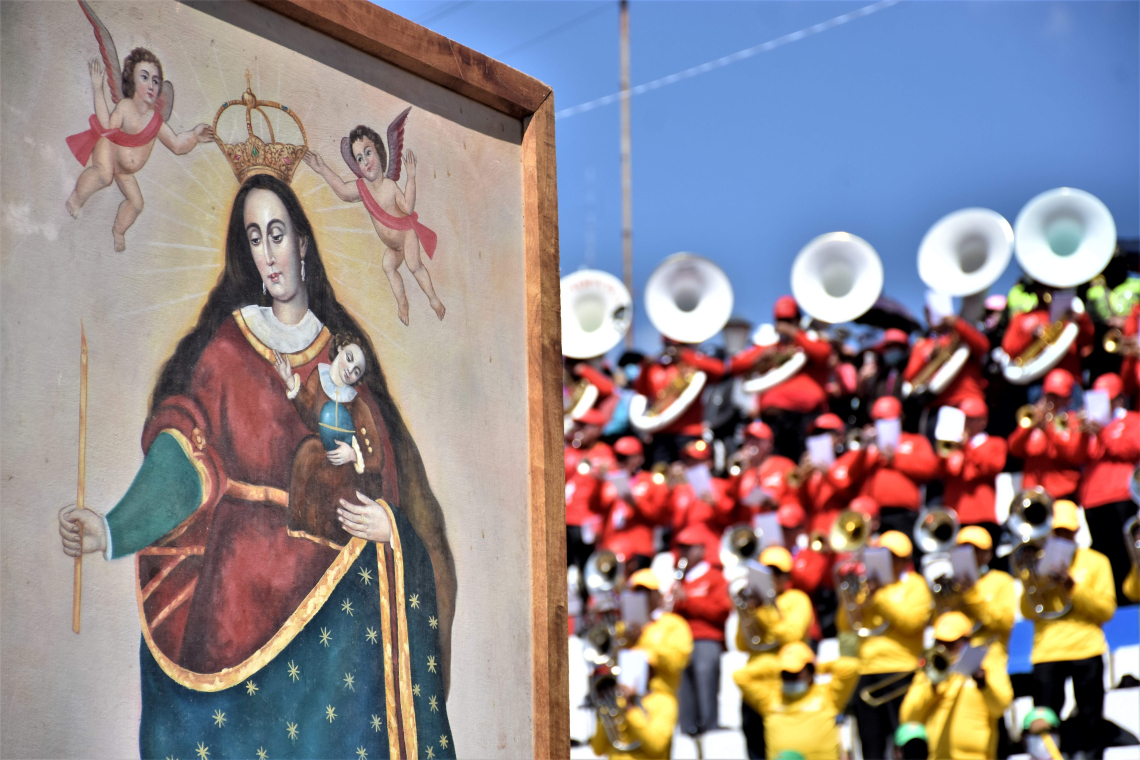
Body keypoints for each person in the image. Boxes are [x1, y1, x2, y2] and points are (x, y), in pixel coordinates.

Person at [57, 173, 457, 757]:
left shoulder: (344, 360)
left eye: (277, 234)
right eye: (254, 238)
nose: (269, 254)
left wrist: (391, 529)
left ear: (302, 241)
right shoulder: (227, 350)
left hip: (337, 615)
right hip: (239, 599)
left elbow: (381, 478)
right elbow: (186, 455)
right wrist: (115, 528)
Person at [66, 45, 214, 251]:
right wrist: (98, 89)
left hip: (125, 171)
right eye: (144, 77)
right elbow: (106, 128)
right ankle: (76, 198)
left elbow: (178, 145)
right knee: (104, 175)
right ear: (133, 81)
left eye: (155, 80)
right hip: (108, 151)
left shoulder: (156, 122)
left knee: (137, 204)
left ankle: (118, 231)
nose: (151, 85)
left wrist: (195, 136)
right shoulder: (126, 107)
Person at [304, 116, 446, 324]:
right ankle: (402, 303)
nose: (365, 161)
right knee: (388, 266)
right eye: (359, 158)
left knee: (414, 266)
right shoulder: (362, 188)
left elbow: (407, 207)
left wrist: (412, 178)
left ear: (379, 152)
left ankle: (434, 300)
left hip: (406, 236)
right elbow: (343, 191)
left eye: (368, 152)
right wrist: (322, 168)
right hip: (393, 246)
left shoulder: (389, 186)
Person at [1021, 500, 1116, 760]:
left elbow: (1106, 610)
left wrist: (1072, 586)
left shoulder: (1097, 561)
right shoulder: (1036, 564)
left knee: (1091, 719)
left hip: (1086, 647)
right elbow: (1028, 611)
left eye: (1068, 532)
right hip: (1047, 652)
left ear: (1077, 531)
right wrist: (1034, 578)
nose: (1063, 537)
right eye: (1057, 532)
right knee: (1044, 723)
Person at [845, 531, 934, 760]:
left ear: (904, 560)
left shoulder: (915, 585)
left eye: (892, 556)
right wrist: (846, 596)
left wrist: (879, 597)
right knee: (871, 749)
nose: (886, 560)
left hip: (901, 671)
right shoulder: (865, 587)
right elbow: (846, 625)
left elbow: (912, 623)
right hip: (867, 671)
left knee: (907, 745)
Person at [591, 569, 694, 760]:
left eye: (647, 591)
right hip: (625, 697)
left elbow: (678, 661)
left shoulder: (674, 624)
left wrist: (644, 638)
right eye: (636, 592)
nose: (642, 597)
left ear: (658, 595)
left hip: (659, 701)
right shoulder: (623, 628)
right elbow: (607, 660)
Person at [733, 546, 815, 760]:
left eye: (777, 573)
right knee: (755, 747)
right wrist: (747, 613)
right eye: (767, 572)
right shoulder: (754, 605)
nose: (772, 578)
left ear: (787, 576)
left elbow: (791, 636)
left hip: (785, 685)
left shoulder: (797, 599)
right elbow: (742, 643)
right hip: (757, 685)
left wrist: (765, 610)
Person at [899, 611, 1013, 760]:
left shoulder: (988, 661)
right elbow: (908, 717)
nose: (944, 648)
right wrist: (932, 686)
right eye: (939, 642)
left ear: (967, 640)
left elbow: (1001, 707)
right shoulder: (929, 670)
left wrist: (984, 685)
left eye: (951, 643)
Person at [731, 297, 833, 460]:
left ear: (797, 320)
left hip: (807, 417)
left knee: (812, 461)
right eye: (780, 320)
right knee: (778, 463)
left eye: (788, 320)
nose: (783, 325)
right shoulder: (771, 346)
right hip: (775, 419)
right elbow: (736, 366)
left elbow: (824, 354)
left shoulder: (810, 340)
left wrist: (795, 334)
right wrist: (760, 361)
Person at [733, 642, 860, 760]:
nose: (791, 678)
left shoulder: (827, 695)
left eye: (796, 673)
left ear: (809, 670)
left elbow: (851, 667)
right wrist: (776, 665)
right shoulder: (770, 698)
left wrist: (817, 666)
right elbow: (741, 676)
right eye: (786, 673)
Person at [1077, 372, 1140, 605]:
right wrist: (1084, 435)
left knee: (1127, 556)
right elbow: (1076, 456)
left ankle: (1131, 603)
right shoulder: (1091, 427)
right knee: (1105, 558)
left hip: (1122, 496)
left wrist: (1101, 432)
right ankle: (1112, 603)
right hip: (1093, 499)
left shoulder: (1132, 420)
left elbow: (1132, 450)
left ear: (1120, 400)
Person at [670, 527, 733, 747]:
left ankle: (711, 742)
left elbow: (721, 611)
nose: (683, 553)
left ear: (701, 550)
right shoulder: (680, 579)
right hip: (681, 643)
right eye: (681, 548)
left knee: (707, 697)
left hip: (706, 640)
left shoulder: (715, 577)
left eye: (688, 548)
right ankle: (689, 742)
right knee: (684, 700)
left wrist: (689, 601)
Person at [858, 396, 939, 554]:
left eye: (888, 419)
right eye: (878, 420)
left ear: (900, 418)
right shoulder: (867, 447)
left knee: (903, 554)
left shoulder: (916, 441)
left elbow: (930, 469)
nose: (882, 424)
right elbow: (849, 476)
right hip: (871, 516)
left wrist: (895, 459)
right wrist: (863, 450)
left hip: (903, 514)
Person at [634, 341, 726, 464]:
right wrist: (645, 367)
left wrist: (685, 354)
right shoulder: (655, 368)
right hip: (660, 431)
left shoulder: (692, 365)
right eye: (668, 344)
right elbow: (641, 391)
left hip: (688, 431)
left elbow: (720, 369)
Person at [941, 398, 1008, 553]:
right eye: (963, 419)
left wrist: (967, 448)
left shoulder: (995, 443)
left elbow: (991, 466)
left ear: (983, 421)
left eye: (970, 419)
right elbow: (939, 471)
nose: (965, 424)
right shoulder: (953, 444)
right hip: (955, 515)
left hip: (982, 514)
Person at [1007, 369, 1086, 500]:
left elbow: (1073, 455)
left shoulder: (1073, 421)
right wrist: (1028, 429)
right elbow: (1014, 449)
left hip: (1062, 493)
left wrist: (1048, 430)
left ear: (1068, 399)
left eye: (1058, 396)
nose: (1052, 401)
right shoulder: (1033, 420)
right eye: (1049, 395)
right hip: (1033, 494)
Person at [594, 436, 671, 571]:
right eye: (618, 457)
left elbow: (661, 518)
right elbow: (594, 508)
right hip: (610, 545)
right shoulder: (609, 480)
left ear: (639, 459)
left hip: (638, 547)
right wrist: (596, 482)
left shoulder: (651, 481)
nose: (620, 461)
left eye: (625, 457)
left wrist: (635, 504)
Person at [793, 413, 868, 539]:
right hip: (816, 531)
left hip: (842, 530)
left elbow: (852, 494)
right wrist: (803, 480)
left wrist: (827, 474)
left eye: (825, 433)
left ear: (840, 437)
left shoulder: (850, 460)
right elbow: (803, 503)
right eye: (815, 434)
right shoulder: (812, 471)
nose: (819, 438)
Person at [1001, 286, 1094, 383]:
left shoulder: (1067, 314)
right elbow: (1009, 350)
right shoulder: (1020, 317)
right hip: (1036, 380)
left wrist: (1081, 318)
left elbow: (1087, 344)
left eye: (1052, 287)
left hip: (1070, 377)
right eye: (1042, 286)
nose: (1047, 290)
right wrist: (1030, 336)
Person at [903, 309, 991, 410]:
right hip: (935, 405)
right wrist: (928, 358)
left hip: (968, 402)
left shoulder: (962, 335)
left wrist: (957, 323)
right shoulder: (922, 344)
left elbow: (984, 347)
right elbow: (909, 377)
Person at [955, 527, 1015, 665]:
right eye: (963, 549)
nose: (969, 554)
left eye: (975, 550)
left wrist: (972, 595)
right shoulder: (953, 585)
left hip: (991, 660)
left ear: (988, 554)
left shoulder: (1002, 581)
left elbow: (1005, 624)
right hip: (955, 661)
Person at [566, 423, 616, 586]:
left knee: (584, 566)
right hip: (568, 515)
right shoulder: (574, 450)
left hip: (586, 519)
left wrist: (601, 476)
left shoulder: (603, 452)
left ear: (596, 430)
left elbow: (609, 490)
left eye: (585, 427)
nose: (580, 431)